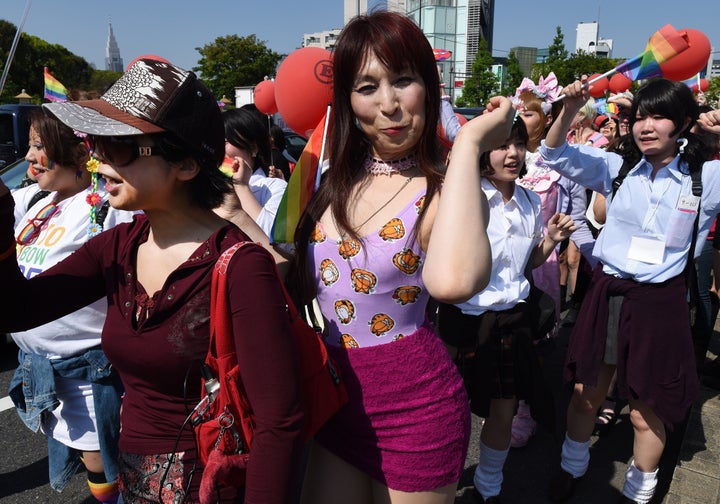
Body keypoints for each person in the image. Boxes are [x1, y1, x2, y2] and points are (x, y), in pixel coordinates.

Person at [0, 58, 304, 503]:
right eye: (96, 143)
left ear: (184, 164)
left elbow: (281, 422)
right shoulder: (117, 246)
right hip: (133, 482)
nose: (99, 161)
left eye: (119, 147)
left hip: (211, 487)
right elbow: (19, 310)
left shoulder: (241, 265)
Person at [291, 11, 515, 504]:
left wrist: (471, 141)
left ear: (429, 89)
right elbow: (282, 262)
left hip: (416, 408)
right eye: (367, 86)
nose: (389, 105)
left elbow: (454, 282)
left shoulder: (448, 191)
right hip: (334, 399)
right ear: (347, 100)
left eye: (404, 80)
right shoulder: (327, 181)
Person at [540, 77, 720, 504]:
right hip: (608, 291)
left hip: (660, 302)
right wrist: (568, 110)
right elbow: (552, 153)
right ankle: (572, 467)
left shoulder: (705, 177)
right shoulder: (616, 168)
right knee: (587, 394)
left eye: (658, 116)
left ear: (683, 123)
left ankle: (640, 492)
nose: (645, 126)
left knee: (646, 409)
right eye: (639, 116)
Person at [436, 118, 576, 503]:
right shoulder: (464, 198)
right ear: (482, 152)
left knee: (503, 412)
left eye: (517, 144)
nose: (513, 153)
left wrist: (550, 239)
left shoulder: (531, 201)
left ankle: (489, 488)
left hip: (512, 321)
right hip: (461, 323)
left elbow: (528, 263)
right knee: (448, 413)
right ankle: (439, 487)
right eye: (501, 145)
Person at [7, 110, 135, 504]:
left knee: (108, 459)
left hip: (88, 369)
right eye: (30, 144)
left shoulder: (108, 206)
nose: (28, 156)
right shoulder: (40, 203)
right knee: (88, 455)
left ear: (82, 153)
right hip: (43, 366)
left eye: (39, 146)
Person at [512, 73, 596, 447]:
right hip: (503, 262)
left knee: (532, 340)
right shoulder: (501, 154)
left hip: (542, 263)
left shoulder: (563, 163)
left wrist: (599, 261)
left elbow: (577, 219)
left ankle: (527, 408)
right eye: (517, 111)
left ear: (546, 117)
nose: (520, 117)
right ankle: (506, 404)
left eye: (527, 113)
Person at [223, 107, 289, 237]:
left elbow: (278, 241)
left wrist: (242, 186)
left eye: (225, 142)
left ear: (253, 147)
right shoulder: (208, 190)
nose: (218, 150)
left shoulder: (274, 188)